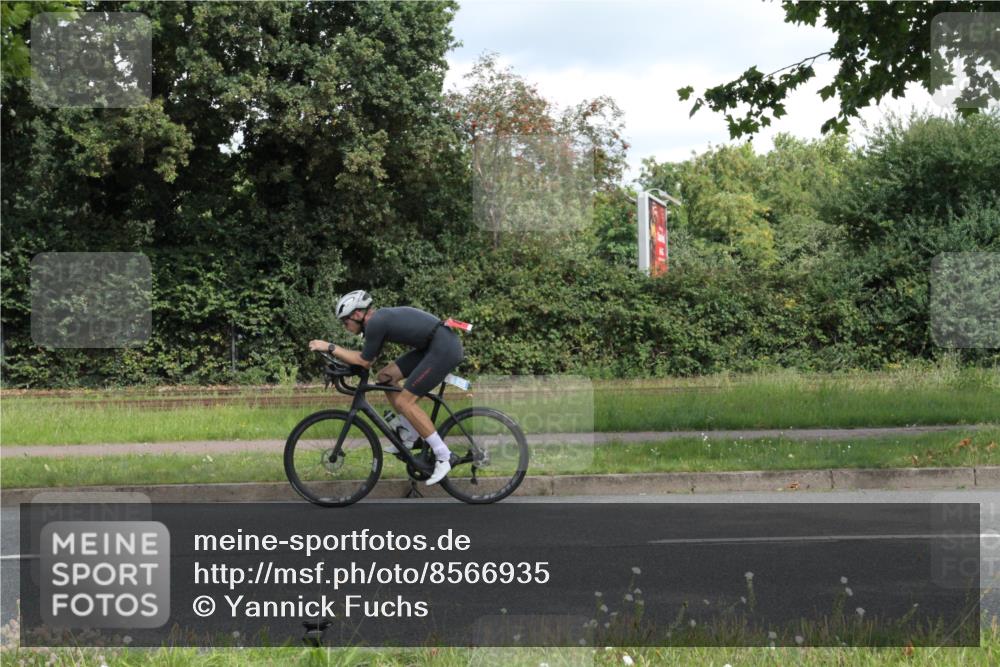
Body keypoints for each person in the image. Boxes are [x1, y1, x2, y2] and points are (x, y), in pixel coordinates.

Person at [308, 290, 464, 485]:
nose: (345, 326)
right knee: (385, 377)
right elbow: (368, 360)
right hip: (432, 346)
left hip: (444, 348)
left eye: (345, 321)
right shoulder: (376, 322)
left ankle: (444, 456)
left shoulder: (375, 322)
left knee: (405, 402)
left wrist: (330, 347)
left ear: (357, 314)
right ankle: (410, 435)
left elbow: (363, 362)